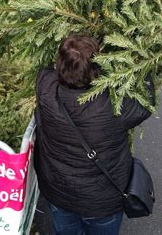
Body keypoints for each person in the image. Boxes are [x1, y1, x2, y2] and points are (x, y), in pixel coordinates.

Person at [33, 35, 155, 235]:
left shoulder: (45, 90)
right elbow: (145, 103)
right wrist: (145, 65)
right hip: (103, 204)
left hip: (59, 196)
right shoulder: (114, 107)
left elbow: (45, 70)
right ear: (98, 69)